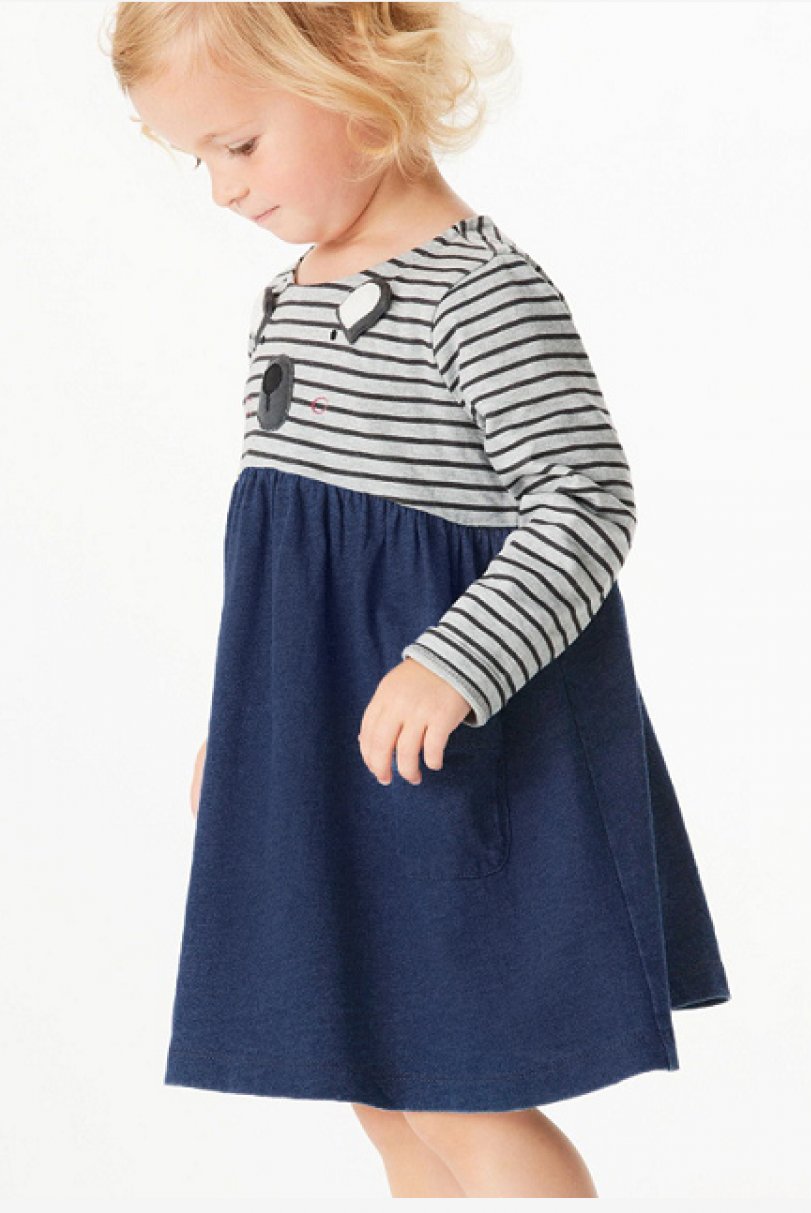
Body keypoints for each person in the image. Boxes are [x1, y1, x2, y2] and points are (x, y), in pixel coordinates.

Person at [108, 2, 732, 1198]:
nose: (222, 190)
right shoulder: (293, 296)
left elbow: (584, 500)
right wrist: (251, 732)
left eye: (239, 145)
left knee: (459, 1085)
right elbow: (295, 569)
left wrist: (454, 661)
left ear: (357, 75)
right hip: (332, 754)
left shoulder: (477, 293)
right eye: (197, 161)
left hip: (447, 764)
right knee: (378, 1085)